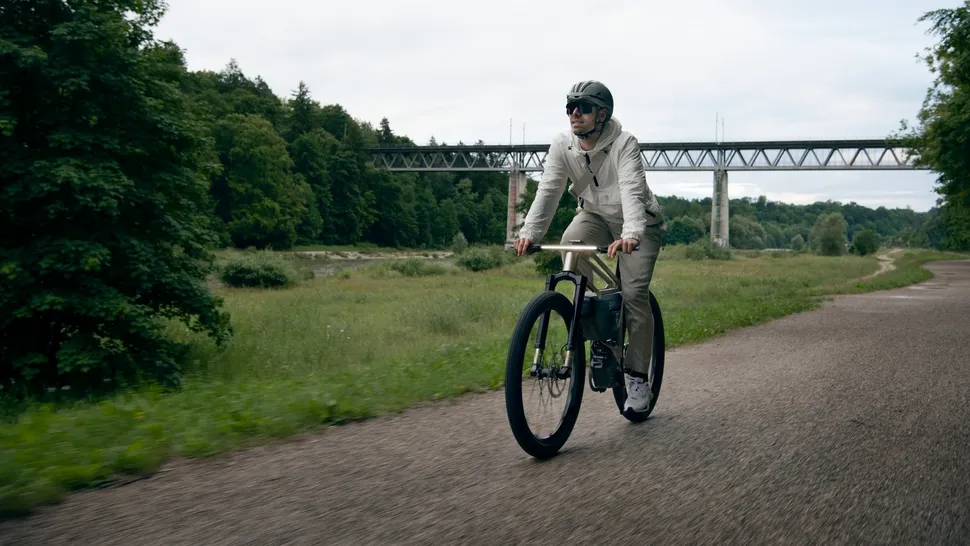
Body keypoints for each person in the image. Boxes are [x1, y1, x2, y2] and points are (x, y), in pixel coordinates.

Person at [514, 80, 666, 415]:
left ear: (602, 113)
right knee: (571, 243)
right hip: (595, 216)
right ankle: (604, 325)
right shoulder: (562, 145)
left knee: (634, 294)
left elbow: (631, 189)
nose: (574, 114)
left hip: (639, 223)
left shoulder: (625, 144)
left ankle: (638, 377)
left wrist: (632, 234)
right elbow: (549, 191)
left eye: (582, 107)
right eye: (569, 107)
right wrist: (530, 232)